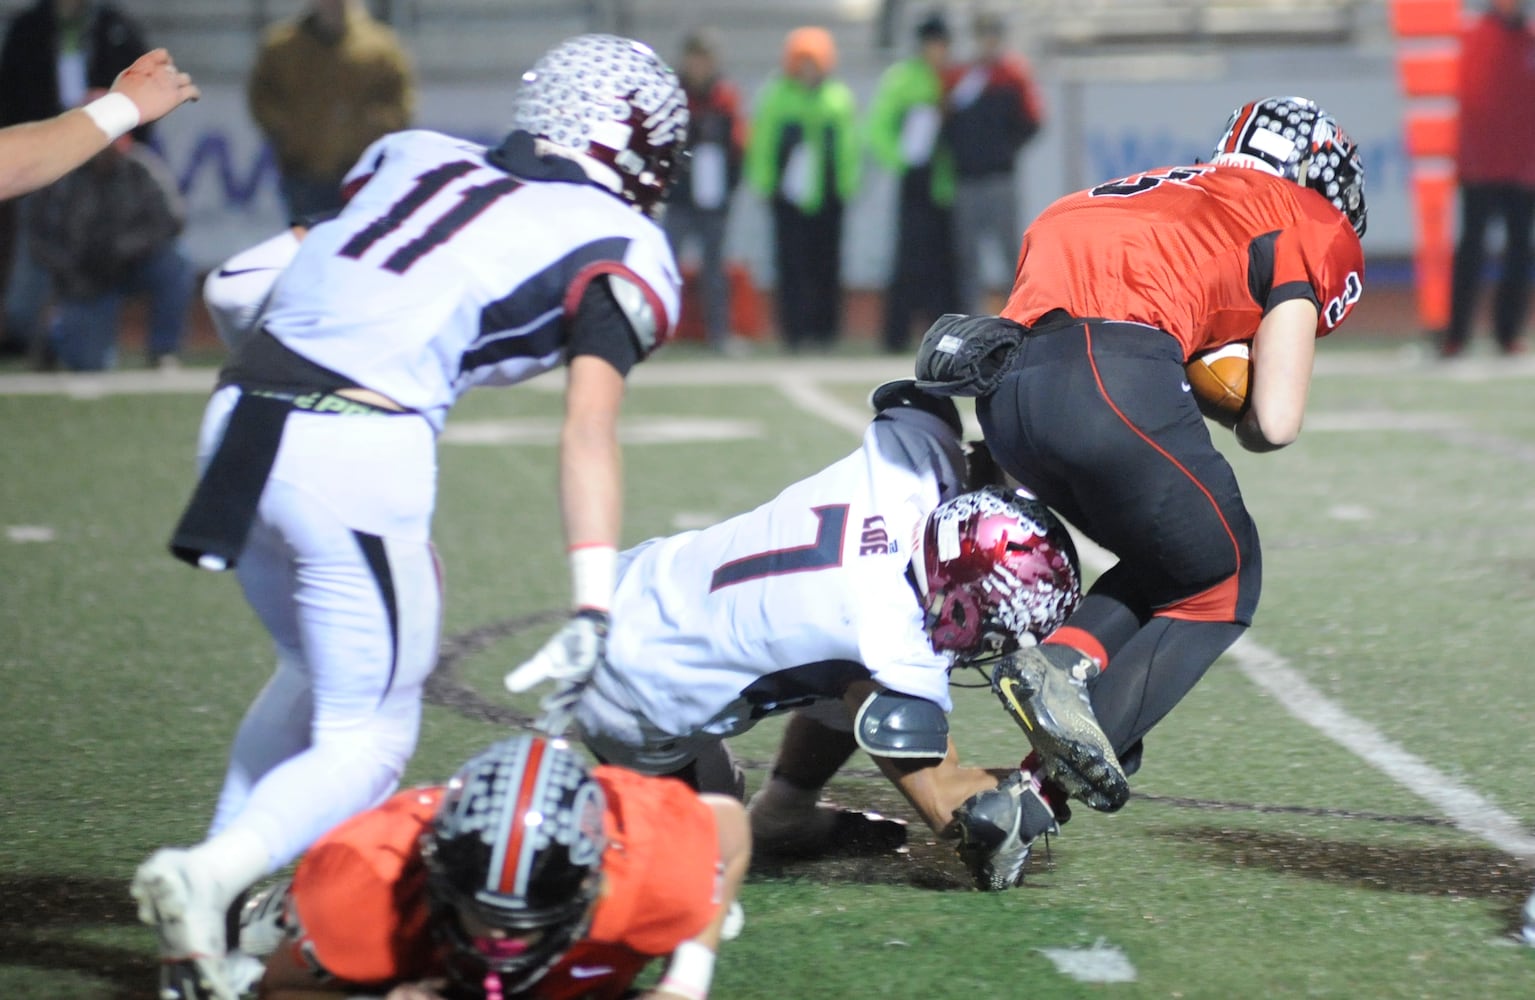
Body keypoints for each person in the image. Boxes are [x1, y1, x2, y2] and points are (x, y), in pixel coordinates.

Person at [129, 34, 689, 1000]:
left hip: (238, 416)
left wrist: (293, 388)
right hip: (354, 440)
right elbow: (588, 429)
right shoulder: (621, 239)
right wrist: (593, 608)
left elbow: (233, 286)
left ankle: (213, 913)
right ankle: (211, 874)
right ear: (635, 141)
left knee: (312, 671)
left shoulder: (414, 154)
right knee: (370, 735)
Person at [918, 96, 1367, 888]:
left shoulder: (1151, 187)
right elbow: (1276, 419)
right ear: (1316, 175)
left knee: (1173, 563)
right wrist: (1215, 388)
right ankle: (1060, 663)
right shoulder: (1299, 218)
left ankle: (1020, 811)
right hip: (1110, 375)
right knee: (1227, 576)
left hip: (1008, 391)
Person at [506, 381, 1083, 867]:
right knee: (708, 858)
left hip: (635, 587)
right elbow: (951, 808)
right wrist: (1047, 783)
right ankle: (578, 829)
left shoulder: (916, 456)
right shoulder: (888, 639)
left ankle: (785, 811)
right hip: (634, 699)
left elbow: (922, 394)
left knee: (841, 678)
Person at [247, 734, 750, 1000]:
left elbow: (728, 836)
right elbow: (285, 989)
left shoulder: (650, 854)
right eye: (481, 912)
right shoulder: (370, 877)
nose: (495, 937)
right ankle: (279, 916)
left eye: (521, 922)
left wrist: (685, 982)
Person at [0, 0, 165, 358]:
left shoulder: (116, 27)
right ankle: (23, 328)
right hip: (41, 148)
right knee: (35, 244)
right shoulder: (28, 28)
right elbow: (11, 91)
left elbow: (168, 220)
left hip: (103, 145)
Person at [28, 95, 194, 370]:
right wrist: (69, 270)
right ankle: (51, 340)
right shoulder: (59, 176)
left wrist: (126, 247)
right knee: (89, 365)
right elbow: (39, 237)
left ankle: (163, 350)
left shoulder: (141, 168)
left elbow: (172, 218)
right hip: (83, 276)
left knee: (175, 262)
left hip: (130, 265)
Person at [744, 27, 860, 352]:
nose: (808, 69)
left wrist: (847, 185)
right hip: (788, 199)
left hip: (829, 197)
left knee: (827, 265)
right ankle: (793, 333)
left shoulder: (837, 98)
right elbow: (763, 143)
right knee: (790, 265)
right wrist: (764, 183)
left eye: (814, 62)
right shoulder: (776, 96)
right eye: (802, 61)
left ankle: (825, 332)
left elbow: (849, 146)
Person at [247, 0, 415, 218]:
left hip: (360, 172)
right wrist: (288, 132)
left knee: (355, 245)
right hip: (303, 172)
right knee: (307, 243)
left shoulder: (381, 47)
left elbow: (401, 104)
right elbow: (262, 98)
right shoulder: (282, 47)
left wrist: (369, 131)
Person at [1442, 0, 1535, 358]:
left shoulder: (1527, 41)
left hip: (1522, 172)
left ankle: (1507, 333)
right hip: (1482, 170)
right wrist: (1470, 161)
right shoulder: (1478, 37)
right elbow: (1474, 104)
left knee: (1518, 252)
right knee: (1471, 251)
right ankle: (1457, 334)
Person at [866, 10, 959, 354]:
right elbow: (878, 129)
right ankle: (896, 336)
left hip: (946, 184)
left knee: (945, 263)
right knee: (909, 260)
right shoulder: (903, 79)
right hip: (917, 181)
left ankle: (945, 337)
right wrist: (902, 160)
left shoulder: (951, 78)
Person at [942, 8, 1044, 315]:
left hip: (999, 177)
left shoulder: (1012, 75)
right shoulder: (959, 77)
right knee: (967, 256)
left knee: (1009, 252)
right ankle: (970, 318)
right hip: (968, 179)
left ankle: (1018, 317)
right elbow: (944, 123)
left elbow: (1033, 120)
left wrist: (1005, 150)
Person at [663, 28, 746, 355]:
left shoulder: (725, 96)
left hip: (713, 199)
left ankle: (719, 334)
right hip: (680, 197)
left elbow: (739, 144)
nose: (700, 66)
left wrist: (730, 187)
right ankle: (659, 334)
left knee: (715, 269)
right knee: (666, 267)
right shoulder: (673, 96)